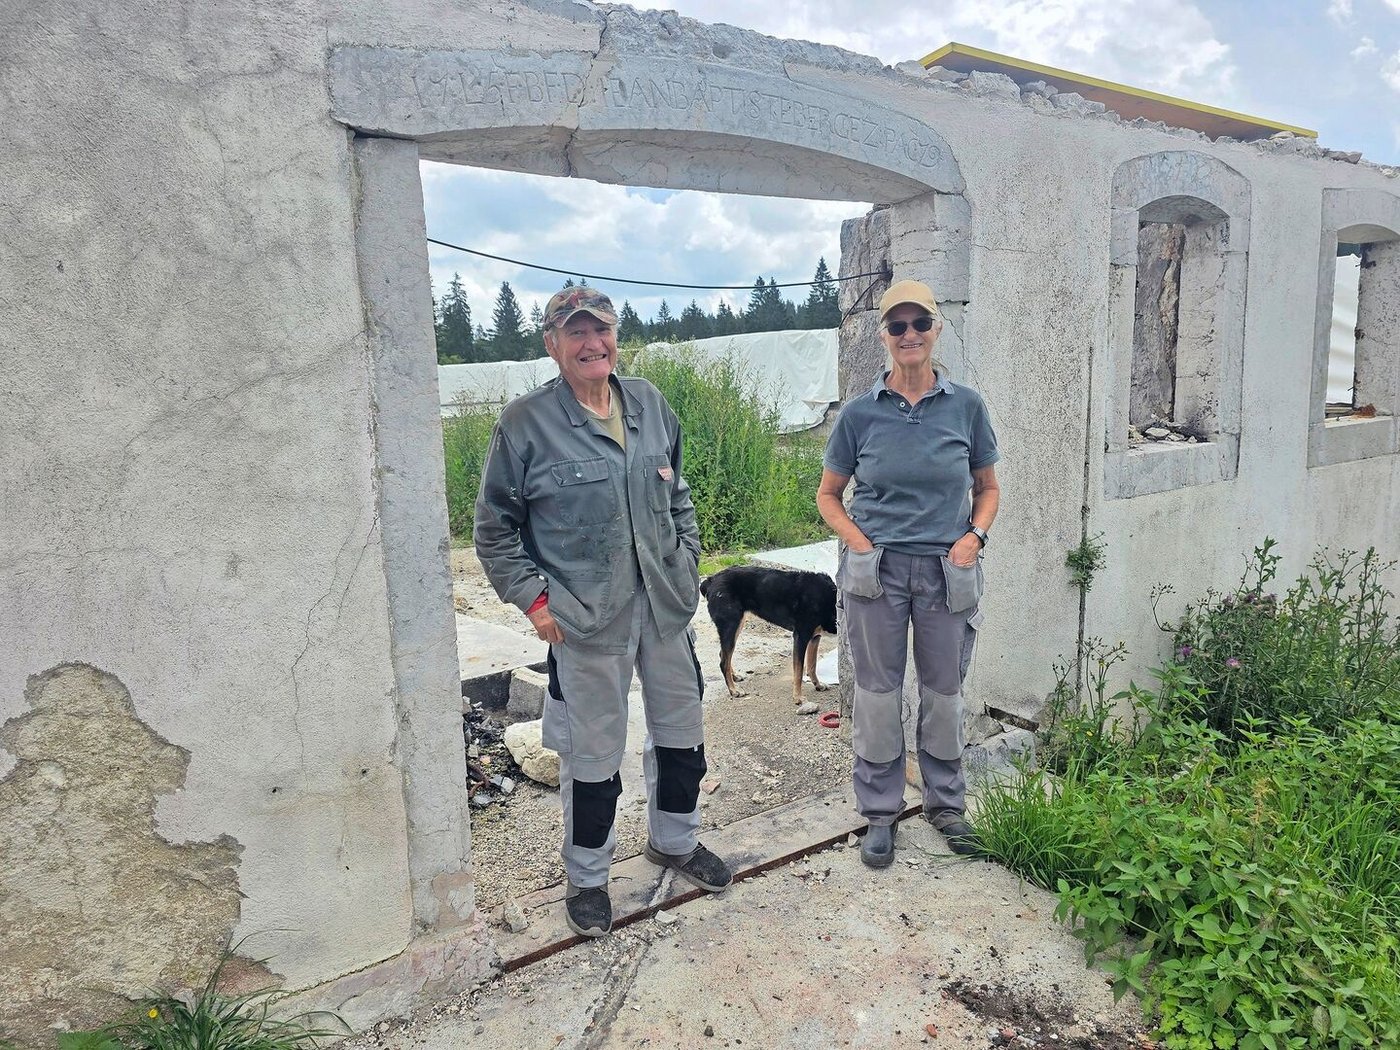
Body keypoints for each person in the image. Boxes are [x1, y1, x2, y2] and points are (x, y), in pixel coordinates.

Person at [474, 285, 733, 937]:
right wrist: (535, 602)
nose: (593, 344)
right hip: (585, 620)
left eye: (603, 330)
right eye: (577, 332)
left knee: (682, 737)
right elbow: (494, 529)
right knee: (592, 759)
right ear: (552, 344)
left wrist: (687, 558)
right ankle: (588, 879)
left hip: (665, 607)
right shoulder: (525, 424)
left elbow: (679, 493)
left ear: (616, 336)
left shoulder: (649, 402)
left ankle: (675, 842)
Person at [816, 279, 1001, 867]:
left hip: (948, 570)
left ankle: (946, 805)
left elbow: (988, 488)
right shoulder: (859, 414)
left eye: (919, 323)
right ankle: (880, 812)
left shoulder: (966, 407)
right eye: (897, 325)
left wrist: (973, 537)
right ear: (884, 336)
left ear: (936, 329)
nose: (909, 334)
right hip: (878, 572)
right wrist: (859, 543)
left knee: (943, 693)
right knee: (877, 694)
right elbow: (828, 496)